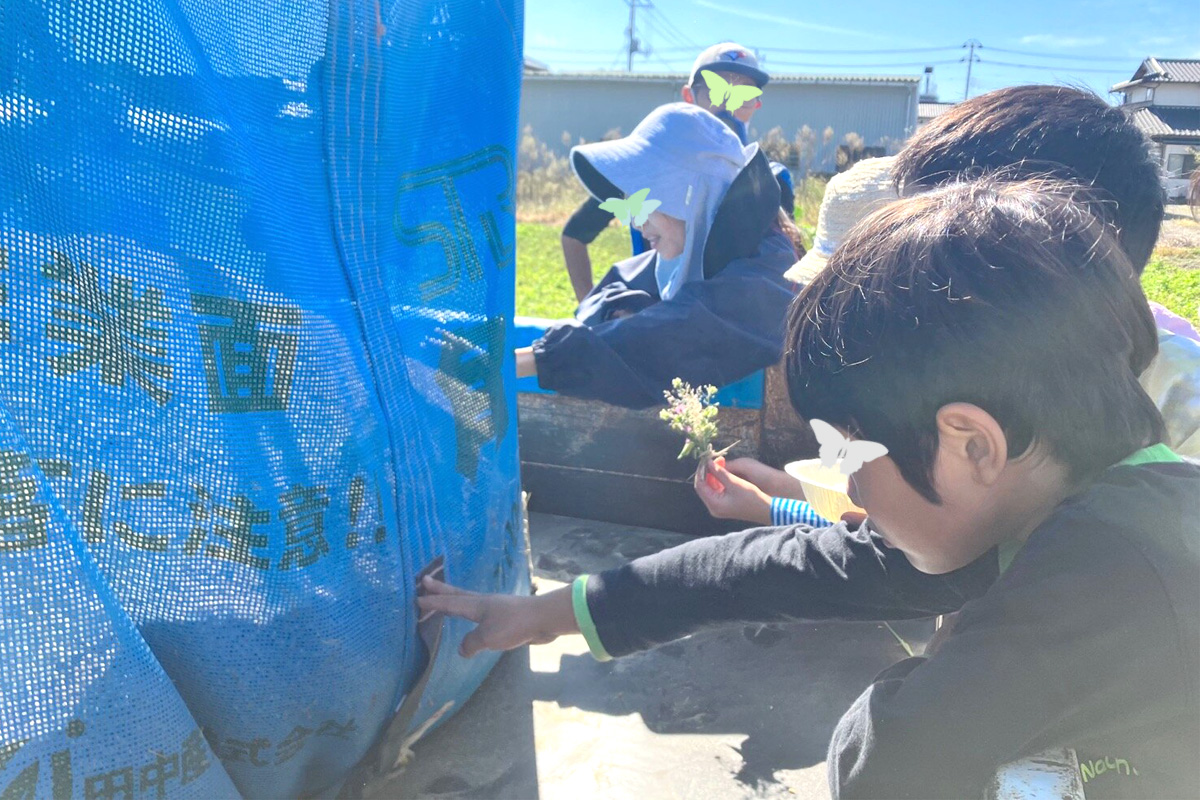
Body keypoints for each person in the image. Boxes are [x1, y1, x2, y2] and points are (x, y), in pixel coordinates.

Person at [421, 176, 1200, 799]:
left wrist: (957, 640)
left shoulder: (1105, 576)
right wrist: (541, 614)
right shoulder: (1048, 505)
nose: (841, 484)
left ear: (971, 444)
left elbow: (884, 771)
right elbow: (772, 565)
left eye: (843, 450)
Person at [703, 85, 1200, 529]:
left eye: (920, 270)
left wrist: (773, 505)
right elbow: (910, 522)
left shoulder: (1179, 410)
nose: (891, 297)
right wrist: (781, 493)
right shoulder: (968, 363)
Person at [515, 103, 800, 409]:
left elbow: (689, 334)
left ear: (687, 194)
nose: (635, 223)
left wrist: (537, 359)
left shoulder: (773, 270)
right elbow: (609, 291)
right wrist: (628, 309)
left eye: (642, 202)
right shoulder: (690, 250)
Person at [560, 42, 771, 302]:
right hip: (658, 319)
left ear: (757, 104)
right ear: (688, 96)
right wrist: (590, 310)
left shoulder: (769, 185)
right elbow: (574, 235)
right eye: (715, 91)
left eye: (744, 94)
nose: (727, 106)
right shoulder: (645, 171)